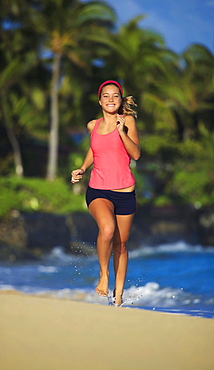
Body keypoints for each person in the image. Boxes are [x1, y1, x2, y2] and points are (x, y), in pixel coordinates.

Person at [71, 80, 140, 306]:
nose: (111, 99)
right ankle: (103, 275)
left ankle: (118, 297)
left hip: (125, 193)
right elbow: (94, 148)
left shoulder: (127, 121)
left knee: (121, 245)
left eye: (115, 96)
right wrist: (83, 168)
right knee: (107, 229)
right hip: (98, 189)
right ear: (100, 100)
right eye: (106, 96)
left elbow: (136, 154)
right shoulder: (93, 125)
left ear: (121, 101)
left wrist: (122, 132)